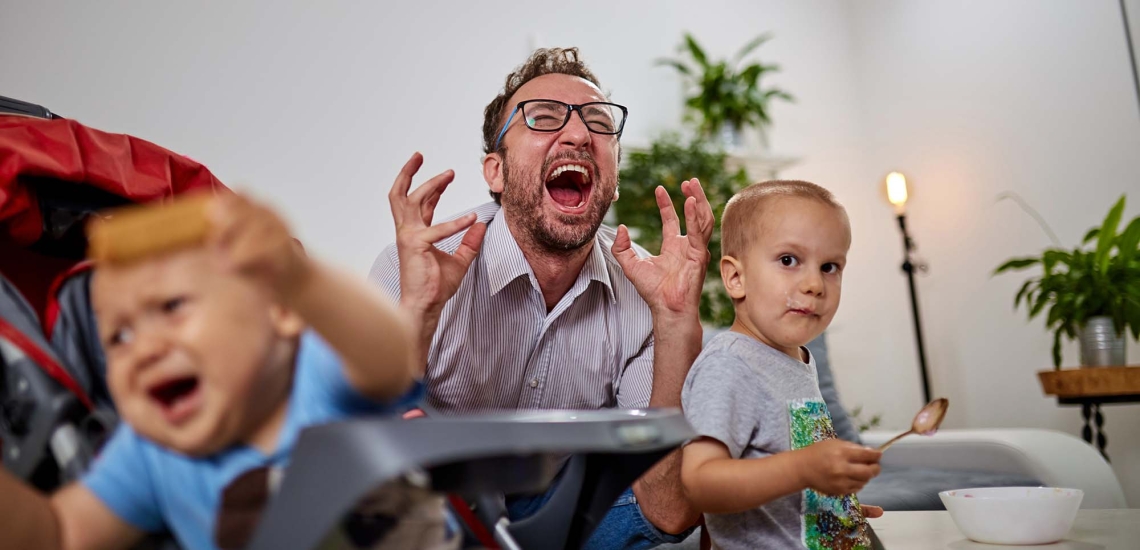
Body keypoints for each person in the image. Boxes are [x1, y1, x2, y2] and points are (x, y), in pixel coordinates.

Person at [370, 47, 710, 547]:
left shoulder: (647, 289)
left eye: (598, 123)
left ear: (612, 181)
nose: (577, 134)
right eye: (544, 118)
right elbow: (360, 464)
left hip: (570, 519)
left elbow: (667, 507)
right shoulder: (416, 265)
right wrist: (418, 314)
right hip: (437, 512)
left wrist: (678, 320)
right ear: (496, 172)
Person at [0, 193, 437, 550]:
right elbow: (61, 532)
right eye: (118, 338)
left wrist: (304, 283)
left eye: (172, 307)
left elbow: (388, 355)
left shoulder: (310, 376)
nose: (145, 350)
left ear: (279, 312)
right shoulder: (151, 452)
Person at [679, 181, 884, 549]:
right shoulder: (730, 364)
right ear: (736, 277)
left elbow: (779, 474)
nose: (814, 284)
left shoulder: (798, 359)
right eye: (789, 260)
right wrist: (804, 469)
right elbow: (700, 482)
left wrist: (828, 507)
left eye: (829, 266)